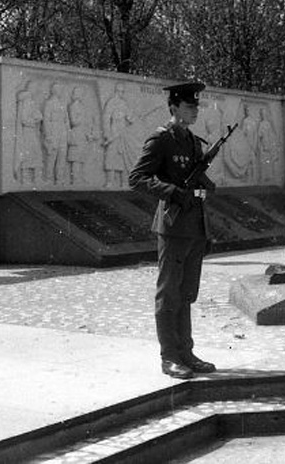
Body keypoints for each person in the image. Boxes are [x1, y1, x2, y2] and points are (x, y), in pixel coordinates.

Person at [129, 82, 217, 380]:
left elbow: (194, 180)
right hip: (172, 225)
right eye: (190, 106)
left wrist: (203, 185)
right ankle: (170, 357)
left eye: (196, 106)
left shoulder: (192, 141)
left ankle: (186, 352)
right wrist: (174, 192)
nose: (194, 110)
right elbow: (138, 178)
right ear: (174, 107)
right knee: (169, 293)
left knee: (186, 292)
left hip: (194, 226)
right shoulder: (161, 140)